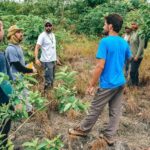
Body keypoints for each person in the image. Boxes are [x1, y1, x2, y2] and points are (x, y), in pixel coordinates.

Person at [68, 14, 132, 145]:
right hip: (120, 82)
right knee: (115, 111)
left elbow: (100, 66)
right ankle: (109, 136)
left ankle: (83, 129)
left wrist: (91, 84)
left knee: (95, 107)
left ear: (110, 26)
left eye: (104, 24)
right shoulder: (124, 42)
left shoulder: (105, 42)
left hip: (108, 83)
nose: (103, 26)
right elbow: (129, 58)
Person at [5, 25, 36, 113]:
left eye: (20, 32)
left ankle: (29, 111)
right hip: (15, 79)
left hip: (20, 77)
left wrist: (29, 66)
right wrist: (30, 70)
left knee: (25, 94)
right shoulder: (10, 49)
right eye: (18, 32)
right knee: (18, 97)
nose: (21, 34)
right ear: (12, 35)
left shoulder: (18, 46)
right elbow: (18, 66)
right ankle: (20, 114)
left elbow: (22, 62)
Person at [34, 20, 58, 90]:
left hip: (53, 60)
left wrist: (56, 58)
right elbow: (37, 47)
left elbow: (53, 48)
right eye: (46, 26)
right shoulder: (42, 36)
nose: (48, 27)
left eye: (49, 25)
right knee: (48, 79)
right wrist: (36, 59)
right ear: (44, 27)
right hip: (46, 61)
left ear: (52, 26)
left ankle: (51, 92)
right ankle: (46, 94)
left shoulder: (53, 35)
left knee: (52, 78)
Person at [0, 20, 12, 148]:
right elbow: (4, 82)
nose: (3, 30)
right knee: (4, 127)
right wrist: (16, 101)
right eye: (2, 28)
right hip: (2, 102)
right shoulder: (0, 56)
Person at [129, 22, 145, 87]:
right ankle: (136, 84)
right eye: (132, 24)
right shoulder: (133, 33)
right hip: (132, 55)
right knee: (135, 71)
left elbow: (141, 46)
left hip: (138, 56)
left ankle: (133, 85)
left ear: (138, 25)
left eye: (134, 24)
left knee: (132, 71)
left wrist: (137, 56)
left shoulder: (141, 33)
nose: (132, 25)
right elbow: (131, 45)